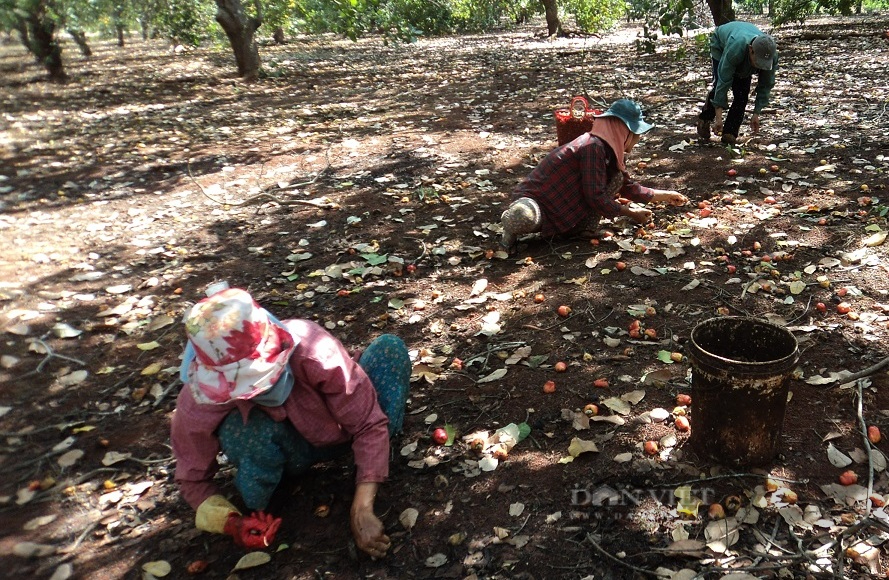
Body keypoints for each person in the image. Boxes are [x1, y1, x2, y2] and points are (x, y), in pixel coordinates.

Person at [170, 285, 410, 558]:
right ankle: (272, 493)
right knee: (242, 430)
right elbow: (191, 477)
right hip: (287, 449)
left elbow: (368, 421)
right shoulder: (199, 396)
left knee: (388, 349)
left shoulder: (310, 348)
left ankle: (371, 464)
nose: (254, 391)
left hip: (343, 429)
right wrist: (232, 523)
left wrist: (362, 508)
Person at [499, 98, 688, 251]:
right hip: (538, 202)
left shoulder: (610, 151)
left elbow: (627, 187)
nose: (637, 140)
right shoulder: (593, 147)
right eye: (635, 134)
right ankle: (509, 231)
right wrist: (630, 213)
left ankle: (581, 229)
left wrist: (665, 196)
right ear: (623, 130)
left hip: (562, 208)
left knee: (616, 179)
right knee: (523, 217)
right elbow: (594, 196)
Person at [696, 20, 778, 145]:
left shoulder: (770, 55)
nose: (761, 67)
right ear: (751, 50)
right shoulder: (735, 49)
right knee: (719, 83)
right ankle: (705, 118)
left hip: (743, 50)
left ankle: (730, 132)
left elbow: (766, 84)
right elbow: (723, 82)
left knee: (742, 93)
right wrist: (719, 118)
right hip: (721, 44)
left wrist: (756, 113)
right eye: (758, 62)